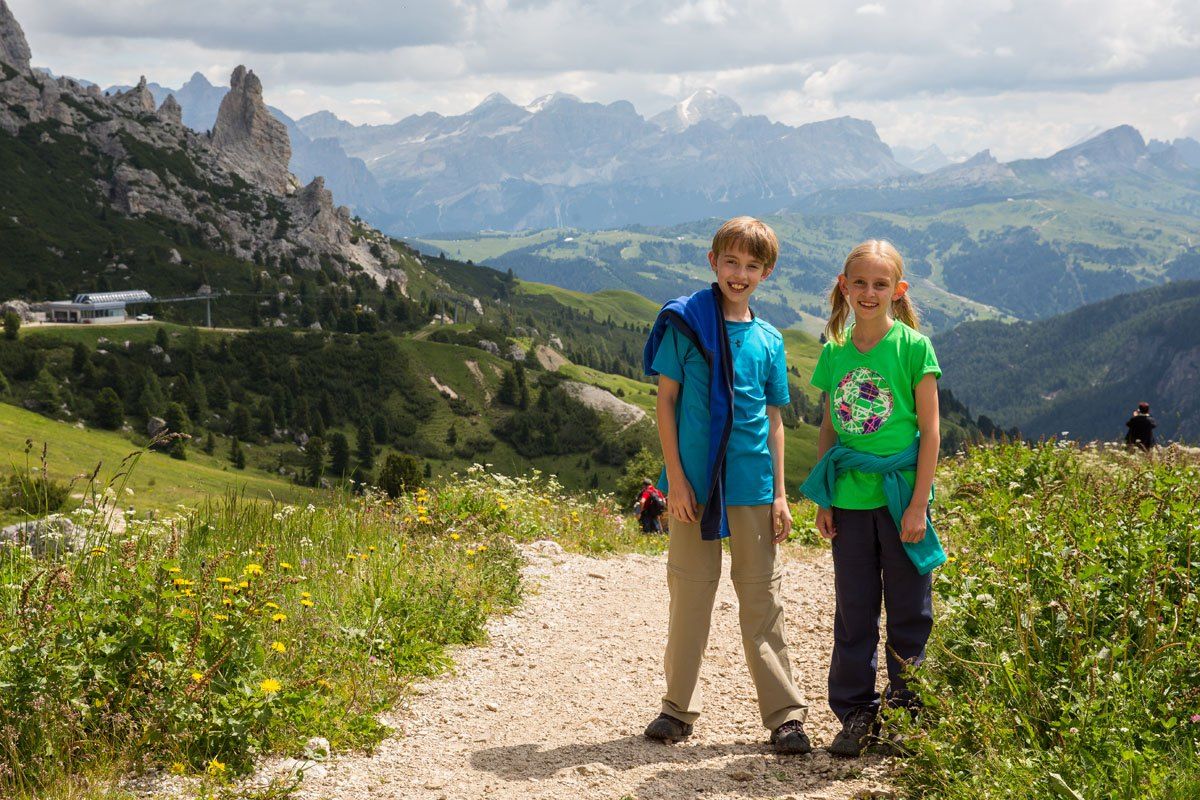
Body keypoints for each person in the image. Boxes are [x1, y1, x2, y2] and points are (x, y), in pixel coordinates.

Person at [641, 216, 811, 754]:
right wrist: (677, 483)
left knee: (761, 596)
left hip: (754, 485)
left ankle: (784, 715)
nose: (740, 274)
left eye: (752, 266)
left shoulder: (768, 339)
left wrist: (781, 494)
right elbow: (665, 403)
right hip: (695, 486)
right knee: (690, 592)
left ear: (766, 272)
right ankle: (676, 709)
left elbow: (775, 420)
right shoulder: (685, 325)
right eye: (731, 262)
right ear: (712, 262)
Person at [799, 240, 946, 758]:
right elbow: (829, 428)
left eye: (880, 284)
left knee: (909, 608)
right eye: (859, 283)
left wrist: (916, 506)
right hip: (852, 499)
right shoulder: (835, 349)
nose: (868, 292)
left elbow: (930, 434)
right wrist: (825, 498)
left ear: (897, 290)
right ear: (843, 285)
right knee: (854, 609)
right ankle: (856, 712)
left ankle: (905, 713)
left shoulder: (913, 348)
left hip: (901, 493)